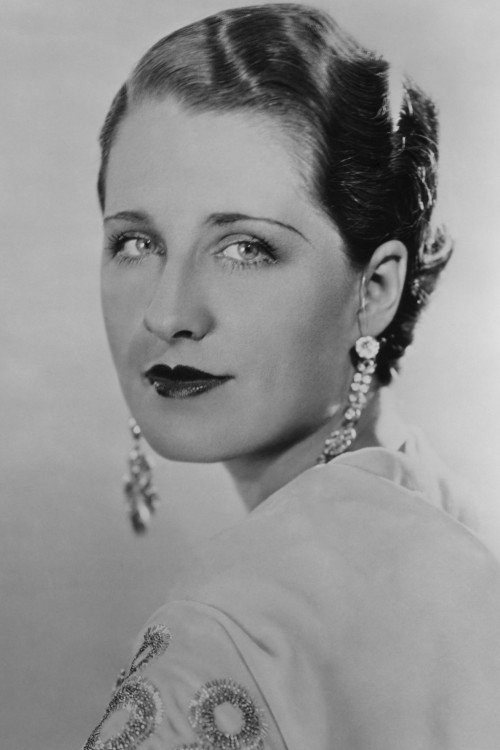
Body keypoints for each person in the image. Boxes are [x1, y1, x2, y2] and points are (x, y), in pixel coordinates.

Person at [82, 4, 500, 748]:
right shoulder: (450, 517)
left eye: (246, 248)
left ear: (375, 289)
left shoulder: (232, 624)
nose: (167, 313)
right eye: (137, 241)